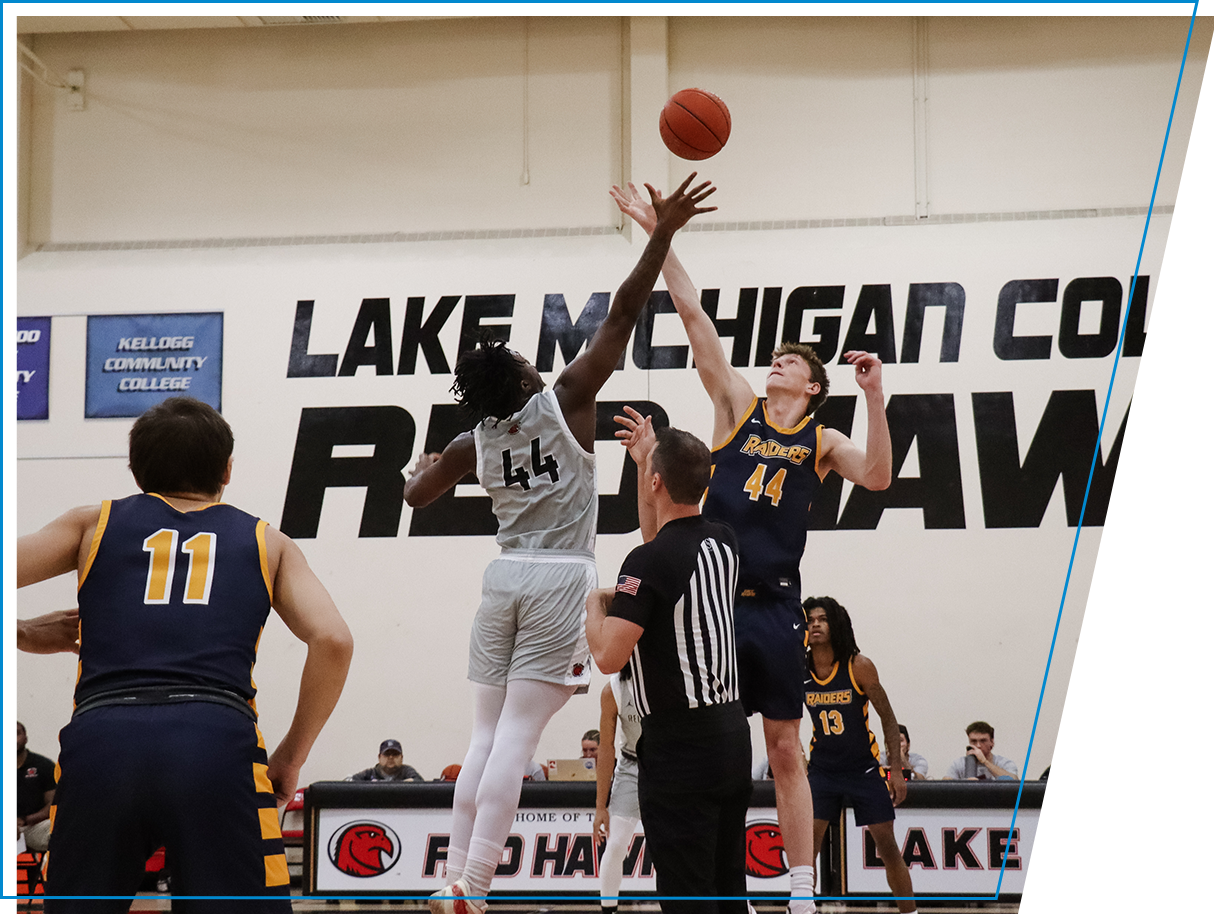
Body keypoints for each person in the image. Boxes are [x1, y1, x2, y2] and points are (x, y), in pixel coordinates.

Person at [404, 173, 717, 916]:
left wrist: (414, 469)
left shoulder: (469, 440)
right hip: (558, 578)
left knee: (483, 734)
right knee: (517, 735)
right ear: (523, 376)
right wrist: (663, 233)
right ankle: (475, 887)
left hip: (503, 577)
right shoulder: (567, 399)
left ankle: (451, 878)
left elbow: (417, 496)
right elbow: (626, 310)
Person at [612, 181, 892, 913]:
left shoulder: (821, 438)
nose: (776, 364)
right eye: (773, 358)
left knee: (782, 749)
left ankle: (801, 891)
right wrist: (659, 236)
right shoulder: (735, 408)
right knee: (718, 749)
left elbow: (880, 476)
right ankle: (712, 878)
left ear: (813, 385)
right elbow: (693, 315)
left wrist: (874, 395)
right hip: (710, 599)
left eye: (790, 363)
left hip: (772, 606)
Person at [16, 395, 354, 913]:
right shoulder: (268, 542)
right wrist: (291, 755)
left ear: (135, 471)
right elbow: (334, 641)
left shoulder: (93, 524)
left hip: (103, 737)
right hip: (216, 739)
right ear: (227, 470)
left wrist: (21, 634)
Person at [586, 422, 750, 914]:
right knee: (726, 891)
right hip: (731, 738)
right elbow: (663, 544)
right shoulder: (724, 540)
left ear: (658, 483)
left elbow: (607, 656)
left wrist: (596, 604)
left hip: (680, 749)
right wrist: (645, 465)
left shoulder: (646, 562)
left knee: (686, 898)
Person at [803, 597, 915, 914]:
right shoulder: (798, 667)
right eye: (810, 619)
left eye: (822, 618)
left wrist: (895, 770)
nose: (815, 623)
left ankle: (911, 912)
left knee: (888, 848)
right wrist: (797, 759)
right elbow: (782, 716)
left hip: (863, 770)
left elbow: (888, 718)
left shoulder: (858, 665)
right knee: (805, 850)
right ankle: (801, 909)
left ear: (836, 623)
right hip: (822, 770)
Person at [593, 666, 643, 914]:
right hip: (631, 766)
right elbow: (605, 749)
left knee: (673, 848)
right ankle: (608, 910)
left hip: (669, 766)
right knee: (615, 845)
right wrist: (601, 807)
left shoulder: (671, 678)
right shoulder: (613, 689)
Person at [1040, 714, 1142, 781]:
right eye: (1086, 733)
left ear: (1104, 739)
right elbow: (1045, 780)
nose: (1091, 738)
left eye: (1096, 734)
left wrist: (1113, 784)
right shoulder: (1070, 755)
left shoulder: (1112, 756)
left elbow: (1137, 784)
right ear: (1080, 736)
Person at [15, 721, 57, 854]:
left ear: (25, 738)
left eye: (16, 733)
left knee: (60, 830)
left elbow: (53, 803)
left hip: (34, 827)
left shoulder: (43, 765)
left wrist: (26, 820)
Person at [942, 721, 1019, 780]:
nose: (978, 745)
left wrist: (985, 762)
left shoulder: (1004, 763)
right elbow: (946, 784)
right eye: (973, 741)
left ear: (992, 742)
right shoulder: (959, 764)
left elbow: (1014, 781)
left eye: (983, 741)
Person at [347, 739, 425, 782]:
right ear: (379, 757)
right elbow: (348, 782)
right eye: (387, 754)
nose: (390, 757)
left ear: (401, 758)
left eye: (395, 754)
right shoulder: (370, 773)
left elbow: (421, 784)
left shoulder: (407, 771)